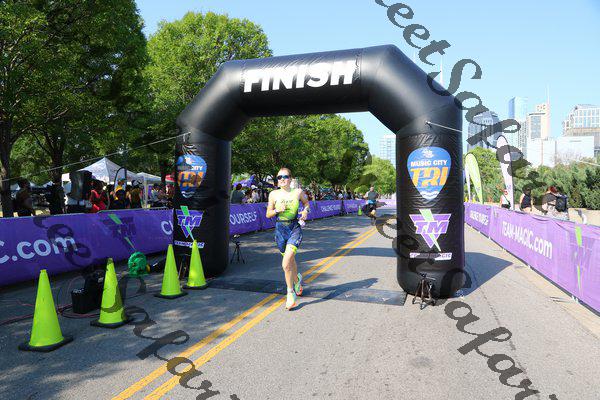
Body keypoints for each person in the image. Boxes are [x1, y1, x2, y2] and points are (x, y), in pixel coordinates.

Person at [266, 167, 310, 311]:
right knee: (290, 261)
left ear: (290, 179)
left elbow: (307, 204)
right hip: (280, 230)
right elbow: (268, 214)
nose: (282, 179)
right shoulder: (273, 194)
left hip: (294, 228)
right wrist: (277, 210)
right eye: (279, 177)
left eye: (285, 176)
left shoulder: (298, 192)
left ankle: (290, 294)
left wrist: (305, 211)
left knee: (286, 264)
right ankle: (297, 280)